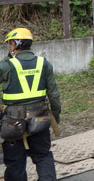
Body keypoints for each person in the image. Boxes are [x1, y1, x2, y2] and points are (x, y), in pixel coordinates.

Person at [0, 28, 61, 181]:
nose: (8, 47)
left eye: (9, 44)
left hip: (13, 122)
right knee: (43, 156)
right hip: (40, 118)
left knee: (15, 162)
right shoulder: (43, 63)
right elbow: (54, 94)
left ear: (15, 44)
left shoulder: (6, 66)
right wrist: (56, 116)